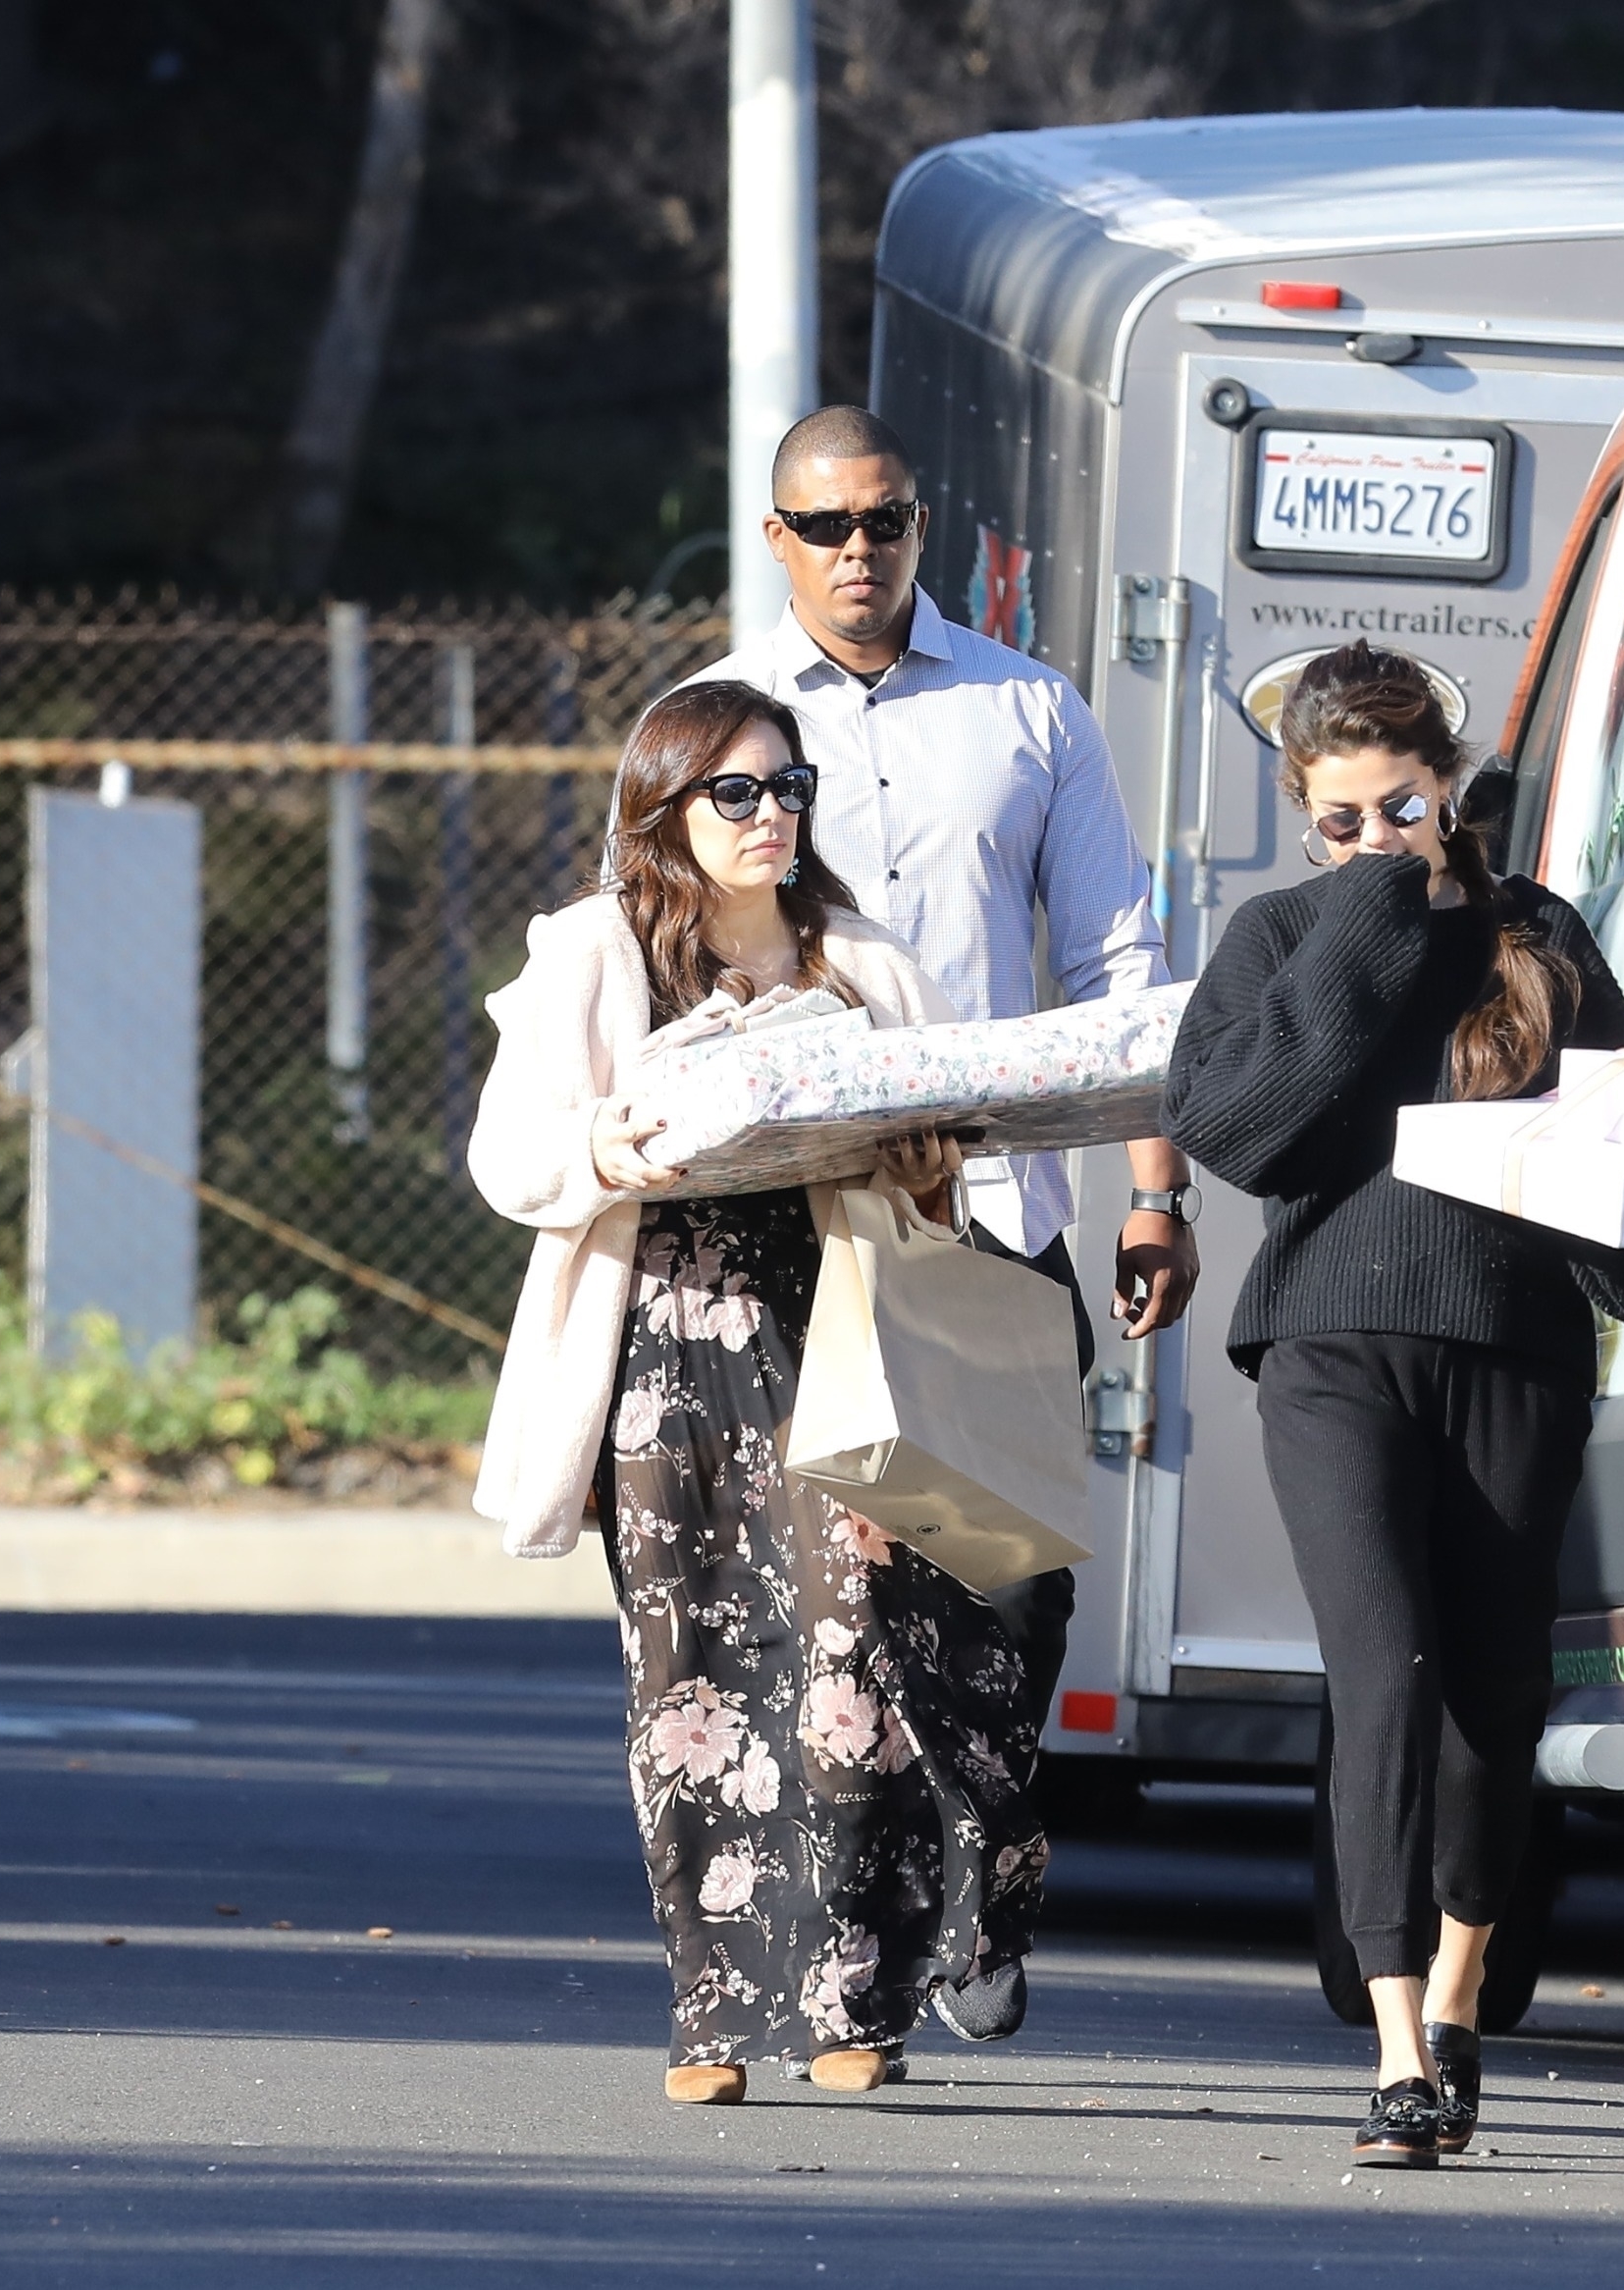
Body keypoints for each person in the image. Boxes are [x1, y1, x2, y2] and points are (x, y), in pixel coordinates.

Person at [686, 402, 1199, 2042]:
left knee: (1011, 1580)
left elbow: (1119, 967)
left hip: (989, 1214)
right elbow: (664, 949)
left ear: (925, 527)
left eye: (886, 520)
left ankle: (981, 1871)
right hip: (794, 1221)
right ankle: (856, 1950)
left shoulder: (1029, 710)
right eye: (827, 525)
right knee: (823, 1594)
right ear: (776, 538)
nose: (860, 550)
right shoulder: (721, 726)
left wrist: (1154, 1188)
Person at [464, 679, 1045, 2104]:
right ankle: (714, 2014)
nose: (772, 814)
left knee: (858, 1646)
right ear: (665, 806)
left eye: (791, 788)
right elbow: (511, 1155)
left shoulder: (859, 957)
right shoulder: (595, 949)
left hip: (839, 1332)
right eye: (737, 792)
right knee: (692, 1675)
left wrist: (922, 1158)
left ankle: (855, 1998)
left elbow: (940, 1164)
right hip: (663, 1356)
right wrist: (615, 1143)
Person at [1162, 642, 1624, 2171]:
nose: (1375, 838)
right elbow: (1239, 1129)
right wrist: (1369, 915)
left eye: (1402, 809)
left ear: (1450, 791)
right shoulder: (1280, 936)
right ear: (1302, 815)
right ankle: (1394, 2049)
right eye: (1342, 820)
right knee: (1382, 1670)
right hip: (1329, 1347)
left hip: (1512, 1344)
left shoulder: (1539, 935)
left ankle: (1458, 1997)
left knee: (1493, 1696)